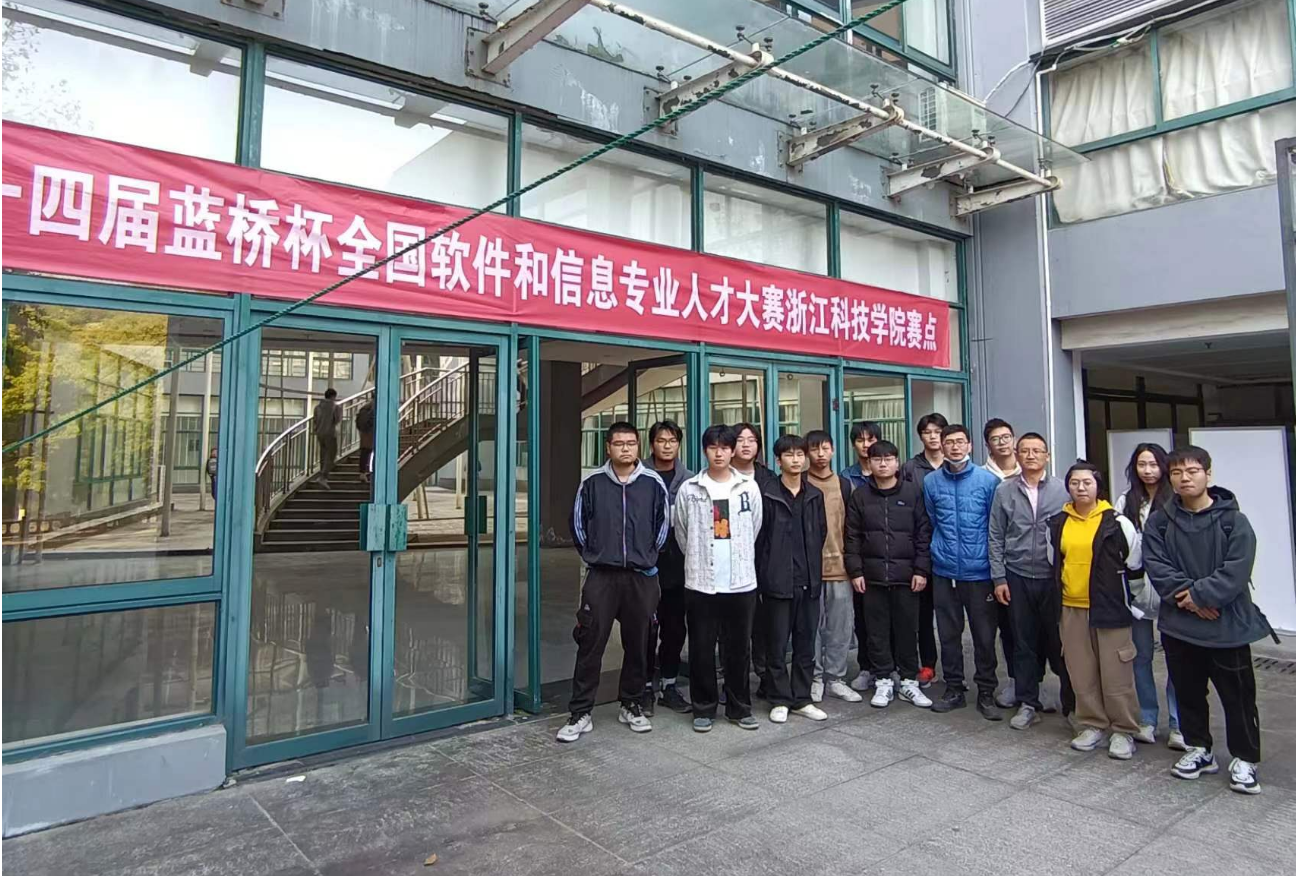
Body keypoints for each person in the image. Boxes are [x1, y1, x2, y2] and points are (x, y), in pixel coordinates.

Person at [1145, 446, 1272, 795]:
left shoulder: (1234, 521)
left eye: (1192, 471)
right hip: (1179, 626)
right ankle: (1199, 748)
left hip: (1227, 627)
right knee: (1188, 693)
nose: (1184, 478)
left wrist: (1200, 596)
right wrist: (1191, 600)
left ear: (1208, 474)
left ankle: (1245, 758)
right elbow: (1157, 565)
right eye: (1177, 473)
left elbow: (1236, 569)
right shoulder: (1160, 521)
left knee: (1238, 697)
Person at [556, 423, 669, 743]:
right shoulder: (592, 483)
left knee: (639, 643)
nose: (625, 449)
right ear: (608, 447)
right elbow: (578, 525)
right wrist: (595, 555)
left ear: (638, 446)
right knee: (590, 642)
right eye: (619, 443)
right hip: (601, 576)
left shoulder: (652, 483)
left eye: (631, 443)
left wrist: (646, 555)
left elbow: (663, 526)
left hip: (640, 577)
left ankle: (631, 703)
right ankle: (580, 712)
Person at [1046, 460, 1142, 760]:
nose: (1081, 488)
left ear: (1098, 486)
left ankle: (1124, 729)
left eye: (1087, 482)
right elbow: (1054, 561)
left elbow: (1135, 565)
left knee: (1116, 673)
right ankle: (1092, 724)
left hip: (1109, 608)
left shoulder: (1117, 522)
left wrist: (1132, 604)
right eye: (1074, 483)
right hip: (1071, 607)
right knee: (1081, 671)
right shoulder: (1059, 523)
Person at [674, 425, 763, 732]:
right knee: (701, 648)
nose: (719, 453)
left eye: (725, 447)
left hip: (741, 582)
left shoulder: (748, 487)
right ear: (705, 451)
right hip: (701, 583)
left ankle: (739, 708)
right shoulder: (690, 489)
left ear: (732, 450)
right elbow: (682, 533)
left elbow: (754, 527)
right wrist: (699, 559)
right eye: (713, 447)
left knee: (738, 649)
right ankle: (703, 708)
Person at [989, 432, 1074, 731]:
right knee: (1022, 641)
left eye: (1037, 451)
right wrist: (999, 577)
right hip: (1018, 574)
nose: (1030, 455)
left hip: (1054, 578)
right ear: (1017, 455)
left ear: (1047, 456)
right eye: (1024, 450)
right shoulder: (1005, 490)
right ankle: (1028, 703)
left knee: (1060, 642)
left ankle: (1072, 705)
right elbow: (995, 535)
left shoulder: (1063, 490)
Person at [844, 440, 934, 709]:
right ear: (869, 464)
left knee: (907, 630)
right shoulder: (860, 496)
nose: (883, 464)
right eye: (877, 459)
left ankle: (908, 681)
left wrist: (921, 569)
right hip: (871, 578)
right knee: (876, 632)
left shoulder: (913, 492)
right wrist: (855, 571)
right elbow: (852, 536)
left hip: (907, 577)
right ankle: (883, 680)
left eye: (888, 459)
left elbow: (923, 534)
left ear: (897, 463)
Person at [923, 424, 1004, 720]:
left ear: (970, 446)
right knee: (948, 634)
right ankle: (954, 688)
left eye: (960, 442)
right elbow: (932, 519)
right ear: (941, 446)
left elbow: (995, 527)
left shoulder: (989, 481)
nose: (955, 447)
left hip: (979, 572)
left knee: (984, 636)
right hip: (944, 570)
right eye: (949, 442)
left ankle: (986, 691)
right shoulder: (931, 482)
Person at [1114, 443, 1186, 751]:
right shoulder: (1126, 500)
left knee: (1177, 658)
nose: (1148, 471)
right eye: (1142, 464)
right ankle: (1146, 717)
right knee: (1140, 656)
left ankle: (1179, 724)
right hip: (1136, 587)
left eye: (1154, 464)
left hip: (1171, 585)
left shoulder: (1177, 499)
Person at [756, 434, 829, 724]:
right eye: (789, 455)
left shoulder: (815, 495)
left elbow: (821, 533)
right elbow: (759, 540)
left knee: (805, 644)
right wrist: (765, 575)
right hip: (777, 581)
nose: (796, 460)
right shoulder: (767, 494)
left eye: (800, 454)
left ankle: (801, 698)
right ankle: (779, 699)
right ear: (778, 460)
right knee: (776, 645)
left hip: (808, 580)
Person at [805, 430, 861, 704]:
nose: (820, 454)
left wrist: (855, 566)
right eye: (814, 449)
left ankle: (836, 679)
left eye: (825, 448)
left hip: (840, 567)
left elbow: (854, 529)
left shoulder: (845, 485)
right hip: (809, 570)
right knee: (811, 628)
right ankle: (814, 678)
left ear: (833, 450)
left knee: (840, 628)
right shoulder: (800, 483)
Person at [645, 420, 692, 714]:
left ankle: (669, 685)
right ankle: (643, 687)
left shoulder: (690, 480)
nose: (667, 445)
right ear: (652, 444)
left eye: (672, 440)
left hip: (678, 566)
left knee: (674, 628)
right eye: (661, 440)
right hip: (644, 565)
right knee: (644, 629)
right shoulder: (639, 475)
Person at [901, 413, 947, 689]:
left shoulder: (955, 466)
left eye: (938, 431)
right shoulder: (910, 467)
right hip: (919, 548)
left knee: (950, 615)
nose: (933, 436)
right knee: (922, 613)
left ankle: (953, 669)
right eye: (927, 432)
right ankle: (927, 664)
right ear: (920, 436)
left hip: (950, 549)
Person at [734, 422, 778, 697]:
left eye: (751, 440)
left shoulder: (769, 479)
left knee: (765, 625)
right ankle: (734, 682)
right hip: (733, 560)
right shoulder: (722, 477)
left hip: (766, 558)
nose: (746, 445)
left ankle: (765, 677)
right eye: (740, 439)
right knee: (734, 626)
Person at [839, 420, 880, 691]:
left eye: (871, 439)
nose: (866, 445)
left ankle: (890, 669)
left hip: (888, 555)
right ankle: (866, 667)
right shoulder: (846, 477)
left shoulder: (892, 472)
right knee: (863, 617)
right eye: (860, 440)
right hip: (860, 556)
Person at [312, 388, 341, 488]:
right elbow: (337, 420)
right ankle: (323, 476)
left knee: (323, 454)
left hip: (320, 433)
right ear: (333, 396)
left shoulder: (317, 407)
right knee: (331, 454)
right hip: (330, 433)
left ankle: (322, 474)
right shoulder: (335, 407)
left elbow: (315, 420)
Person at [356, 399, 376, 484]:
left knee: (364, 452)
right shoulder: (376, 407)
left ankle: (362, 473)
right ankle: (373, 472)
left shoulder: (364, 407)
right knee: (375, 453)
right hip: (372, 432)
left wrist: (362, 430)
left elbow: (358, 421)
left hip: (364, 433)